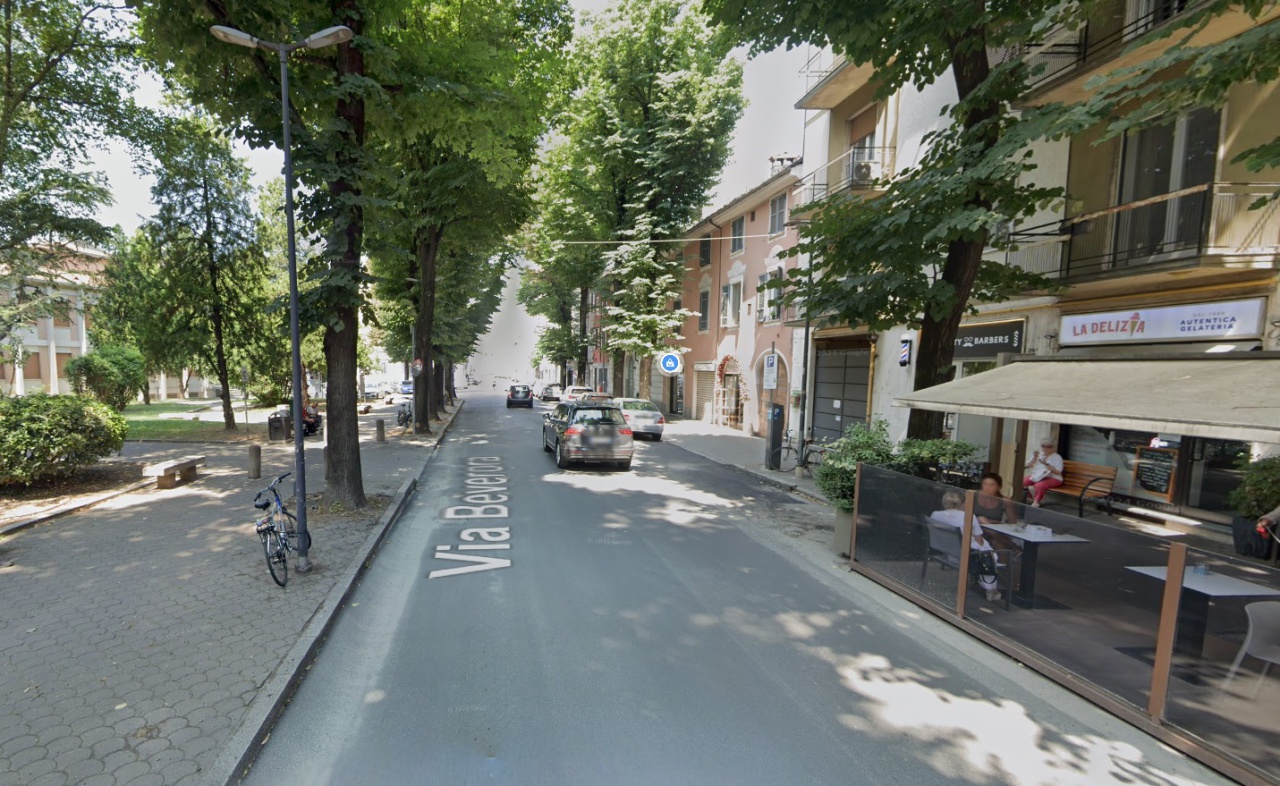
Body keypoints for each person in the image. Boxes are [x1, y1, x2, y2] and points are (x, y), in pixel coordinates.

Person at [930, 490, 1002, 601]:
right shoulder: (968, 517)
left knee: (983, 552)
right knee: (989, 556)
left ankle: (982, 584)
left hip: (949, 554)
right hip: (966, 559)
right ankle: (991, 590)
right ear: (963, 503)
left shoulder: (935, 514)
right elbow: (979, 542)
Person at [1023, 439, 1064, 507]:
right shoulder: (1039, 455)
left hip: (1054, 477)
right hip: (1038, 476)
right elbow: (1029, 465)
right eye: (1043, 446)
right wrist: (1035, 457)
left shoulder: (1057, 457)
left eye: (1049, 447)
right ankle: (1029, 497)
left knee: (1039, 485)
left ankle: (1036, 501)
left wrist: (1046, 464)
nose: (1045, 448)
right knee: (1023, 481)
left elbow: (1058, 472)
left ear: (1053, 448)